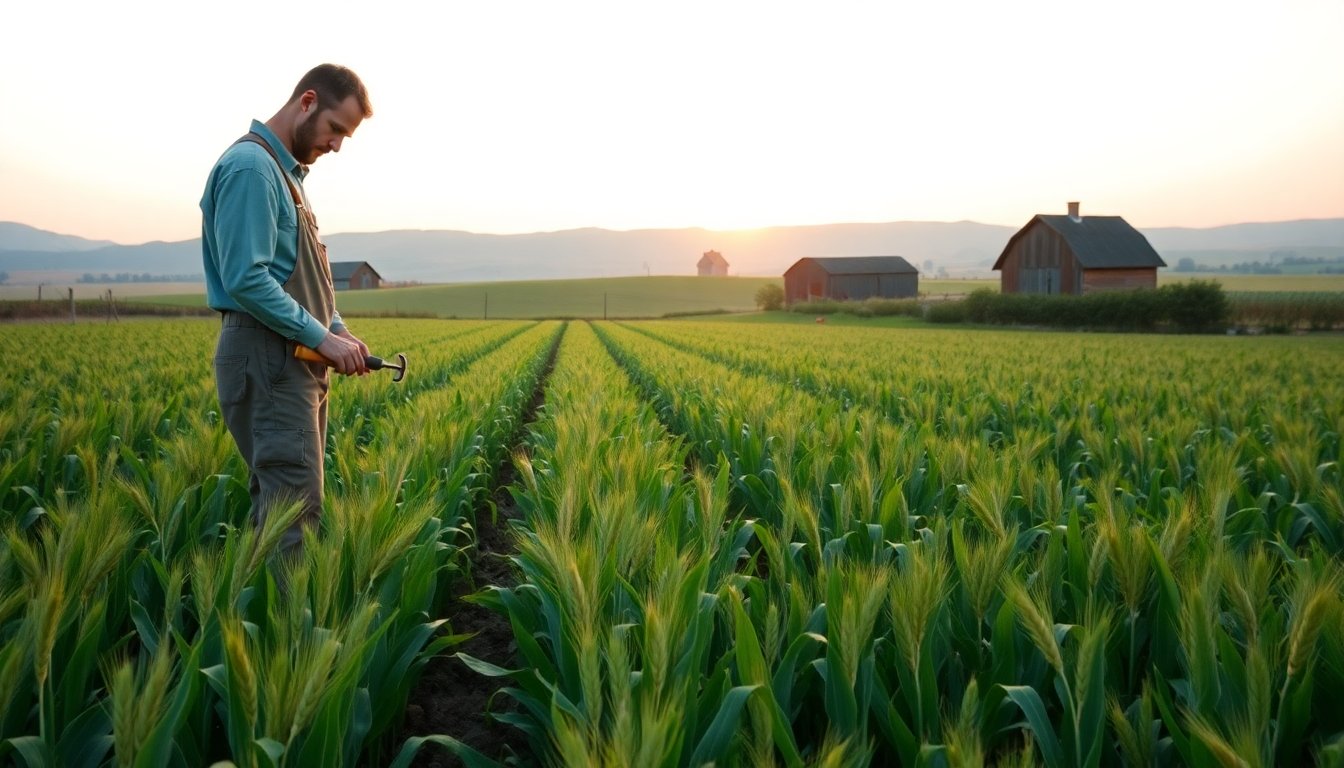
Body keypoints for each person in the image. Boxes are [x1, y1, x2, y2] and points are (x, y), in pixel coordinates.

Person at [201, 64, 373, 552]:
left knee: (293, 507)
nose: (337, 145)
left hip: (292, 358)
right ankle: (279, 628)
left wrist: (337, 332)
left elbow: (297, 279)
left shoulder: (287, 177)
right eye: (335, 128)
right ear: (307, 102)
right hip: (269, 356)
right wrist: (320, 338)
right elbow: (247, 279)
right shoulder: (252, 170)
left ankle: (274, 623)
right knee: (290, 520)